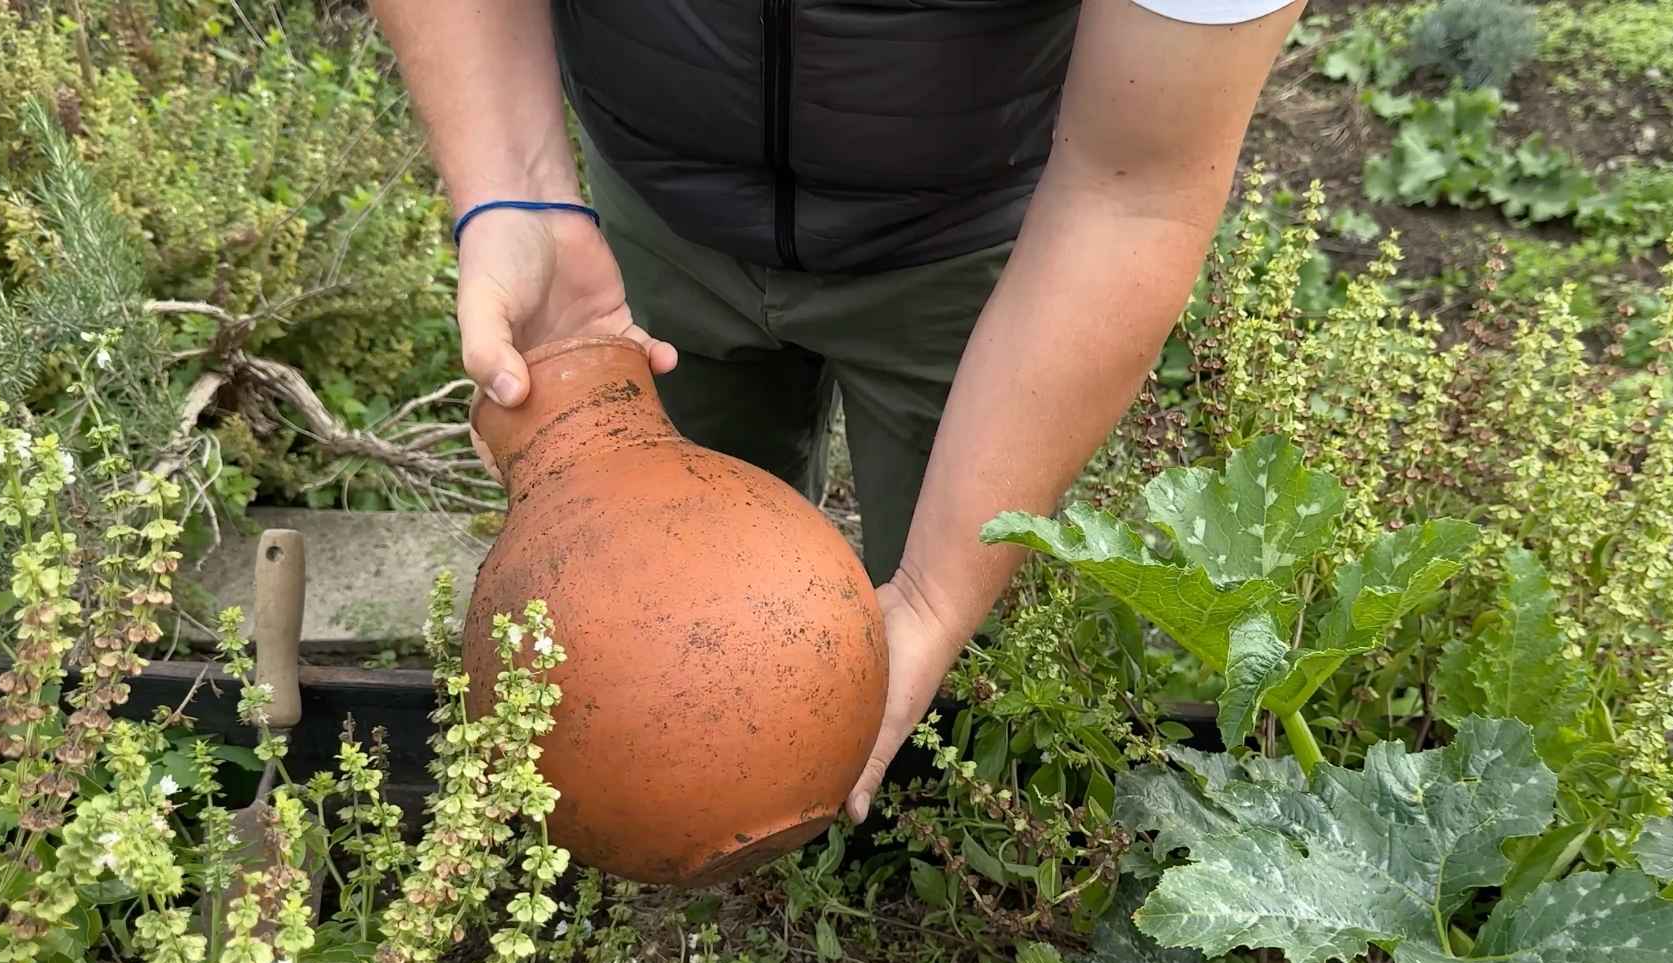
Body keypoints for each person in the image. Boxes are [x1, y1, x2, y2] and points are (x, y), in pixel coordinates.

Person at [373, 0, 1303, 825]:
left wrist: (939, 597)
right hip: (651, 210)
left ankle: (938, 831)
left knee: (965, 653)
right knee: (665, 621)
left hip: (972, 243)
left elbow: (1134, 191)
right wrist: (515, 189)